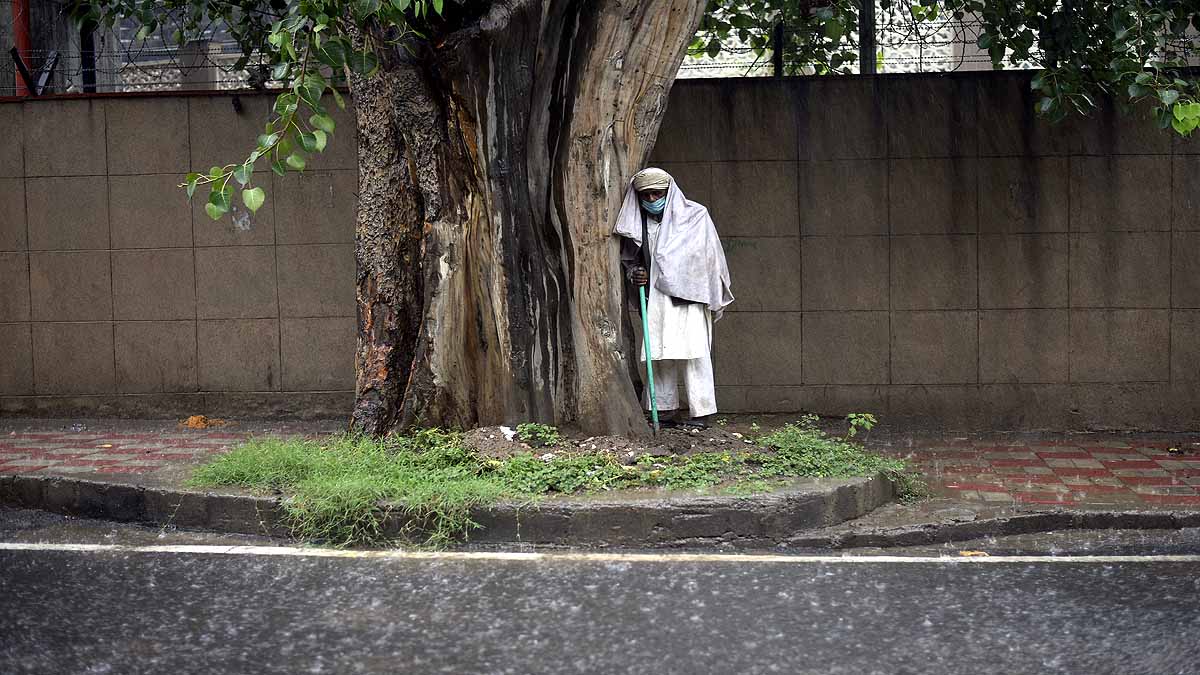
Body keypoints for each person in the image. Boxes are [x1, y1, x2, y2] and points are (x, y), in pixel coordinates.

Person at [613, 167, 734, 429]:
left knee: (694, 354)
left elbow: (710, 259)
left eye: (657, 193)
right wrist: (636, 272)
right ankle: (664, 410)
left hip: (689, 295)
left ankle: (701, 413)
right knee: (658, 354)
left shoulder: (696, 216)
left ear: (669, 192)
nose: (652, 199)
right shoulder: (639, 224)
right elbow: (631, 258)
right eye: (646, 195)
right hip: (655, 297)